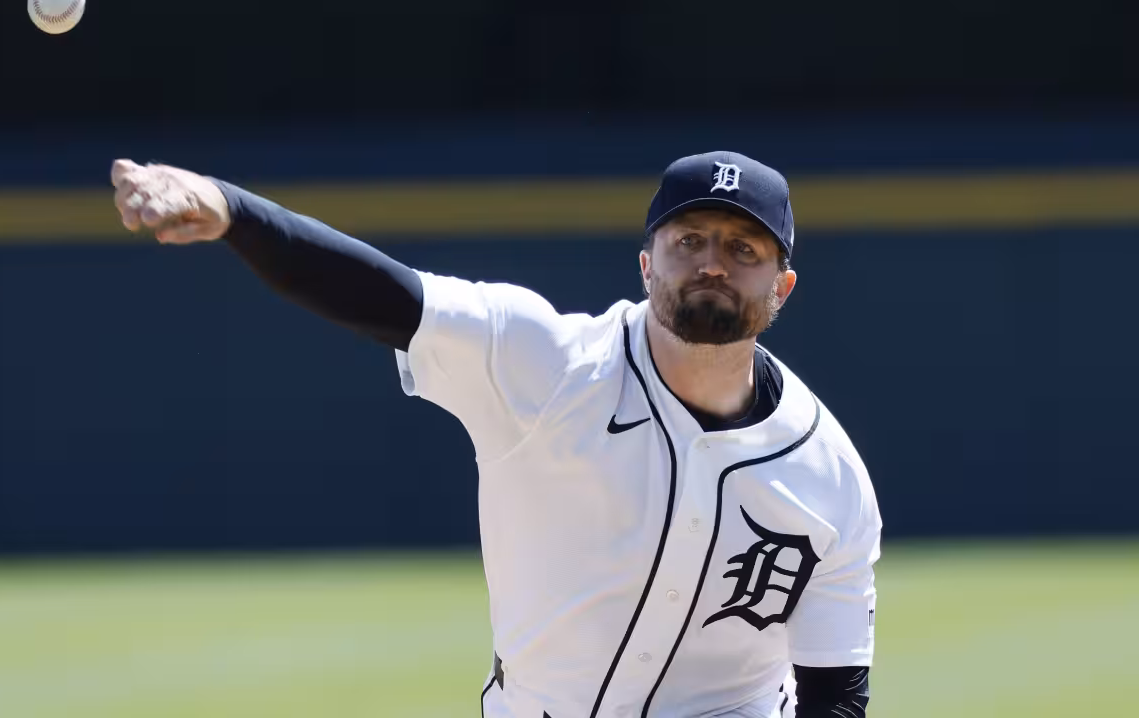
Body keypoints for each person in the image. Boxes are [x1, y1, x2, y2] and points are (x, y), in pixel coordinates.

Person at [111, 150, 881, 718]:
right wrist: (230, 208)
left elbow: (836, 693)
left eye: (743, 249)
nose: (712, 264)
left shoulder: (829, 475)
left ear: (781, 286)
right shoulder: (545, 364)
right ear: (647, 264)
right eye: (691, 241)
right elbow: (381, 291)